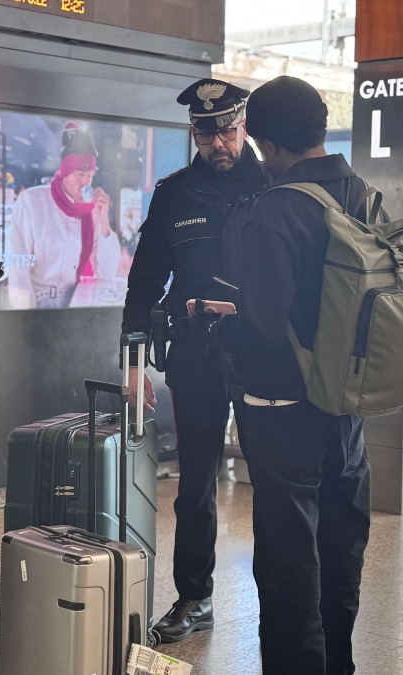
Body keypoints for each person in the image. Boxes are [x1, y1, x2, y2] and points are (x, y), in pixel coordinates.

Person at [215, 76, 371, 675]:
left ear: (264, 143)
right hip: (348, 410)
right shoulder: (360, 193)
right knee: (339, 558)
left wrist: (219, 331)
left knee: (287, 569)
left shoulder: (277, 210)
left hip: (284, 414)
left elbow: (261, 325)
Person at [121, 78, 268, 644]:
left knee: (275, 482)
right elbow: (144, 281)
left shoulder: (276, 183)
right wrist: (133, 360)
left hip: (262, 357)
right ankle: (194, 599)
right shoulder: (175, 193)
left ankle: (282, 592)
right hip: (196, 357)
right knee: (195, 487)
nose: (218, 146)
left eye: (227, 131)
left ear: (243, 126)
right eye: (206, 136)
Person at [8, 122, 120, 309]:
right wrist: (26, 320)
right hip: (36, 306)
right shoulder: (31, 202)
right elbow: (18, 272)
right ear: (65, 171)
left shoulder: (90, 212)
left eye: (90, 176)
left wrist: (104, 221)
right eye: (80, 174)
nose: (86, 183)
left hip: (73, 307)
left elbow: (106, 274)